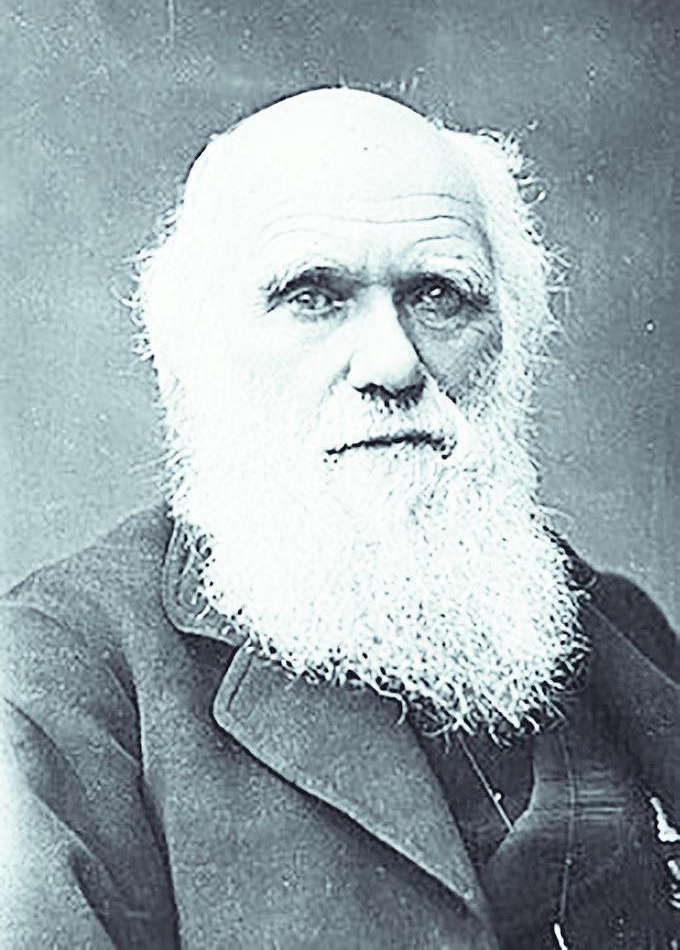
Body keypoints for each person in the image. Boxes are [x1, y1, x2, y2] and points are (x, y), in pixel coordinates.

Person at [1, 87, 679, 949]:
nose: (393, 364)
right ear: (188, 353)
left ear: (510, 339)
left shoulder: (612, 624)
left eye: (440, 294)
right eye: (312, 295)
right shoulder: (51, 677)